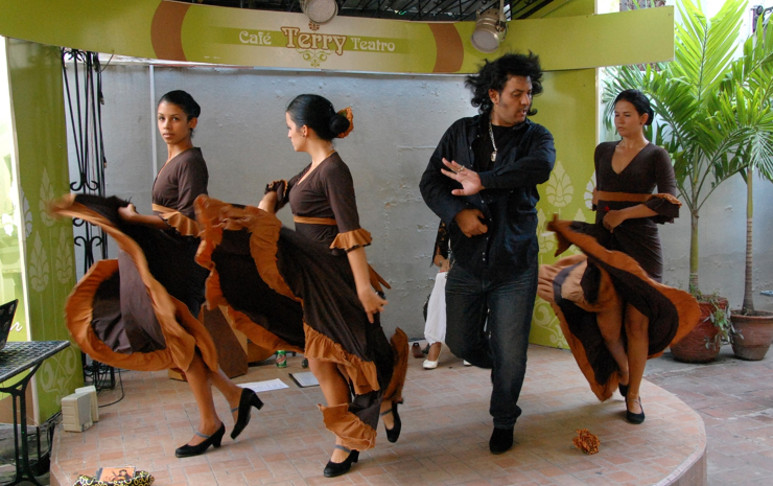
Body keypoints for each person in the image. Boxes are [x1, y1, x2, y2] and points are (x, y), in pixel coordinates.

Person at [194, 93, 407, 478]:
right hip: (310, 276)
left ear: (305, 129)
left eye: (289, 129)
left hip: (333, 276)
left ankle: (365, 420)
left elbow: (351, 234)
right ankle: (352, 430)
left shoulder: (334, 171)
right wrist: (269, 199)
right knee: (320, 359)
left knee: (354, 358)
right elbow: (267, 213)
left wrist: (362, 288)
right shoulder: (308, 171)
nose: (288, 135)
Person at [52, 90, 261, 458]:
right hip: (169, 260)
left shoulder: (191, 162)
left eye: (176, 118)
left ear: (192, 122)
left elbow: (190, 221)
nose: (167, 126)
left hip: (180, 263)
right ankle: (233, 396)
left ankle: (212, 422)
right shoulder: (176, 159)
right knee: (184, 340)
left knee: (181, 340)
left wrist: (134, 219)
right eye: (162, 118)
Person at [419, 53, 556, 454]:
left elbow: (539, 168)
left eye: (529, 93)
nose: (524, 101)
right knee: (461, 342)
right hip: (466, 263)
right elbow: (431, 183)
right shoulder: (461, 133)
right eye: (516, 93)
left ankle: (504, 417)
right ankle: (504, 364)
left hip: (515, 266)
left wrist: (484, 182)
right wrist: (457, 213)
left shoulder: (537, 137)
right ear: (493, 94)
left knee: (512, 352)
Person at [537, 89, 700, 424]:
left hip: (642, 248)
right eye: (616, 114)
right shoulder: (603, 151)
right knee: (608, 327)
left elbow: (669, 203)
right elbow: (602, 200)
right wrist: (598, 215)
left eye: (627, 115)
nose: (620, 121)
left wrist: (624, 214)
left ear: (644, 118)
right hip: (606, 246)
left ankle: (635, 396)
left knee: (637, 324)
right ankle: (625, 373)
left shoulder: (657, 155)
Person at [422, 221, 449, 369]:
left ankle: (435, 345)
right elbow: (437, 256)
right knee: (442, 278)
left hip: (481, 271)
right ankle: (435, 342)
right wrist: (444, 262)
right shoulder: (449, 219)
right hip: (455, 271)